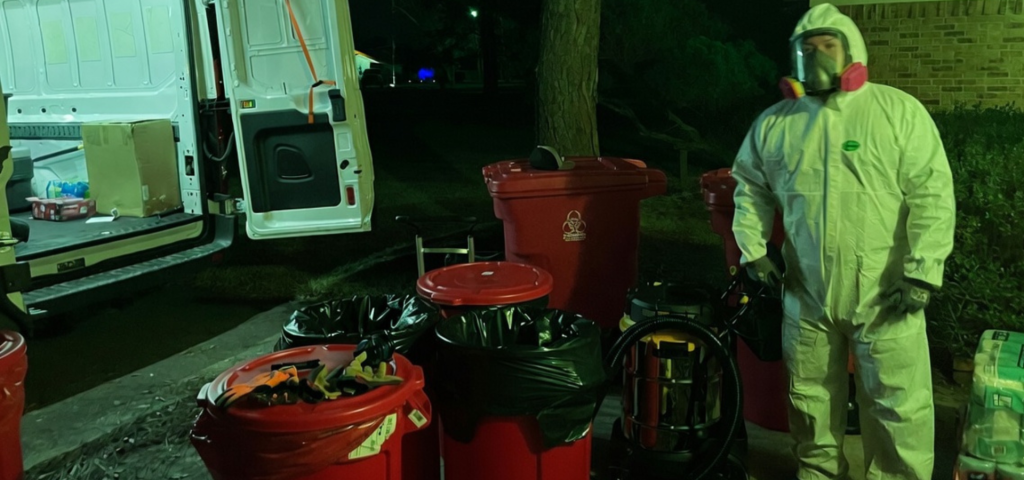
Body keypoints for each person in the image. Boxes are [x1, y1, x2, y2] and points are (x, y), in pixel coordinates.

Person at [730, 3, 956, 480]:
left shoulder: (896, 113)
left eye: (827, 47)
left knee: (897, 405)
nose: (816, 57)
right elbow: (748, 186)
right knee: (810, 401)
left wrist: (922, 270)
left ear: (851, 50)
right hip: (806, 290)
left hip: (885, 291)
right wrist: (753, 251)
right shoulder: (777, 124)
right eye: (806, 50)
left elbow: (932, 193)